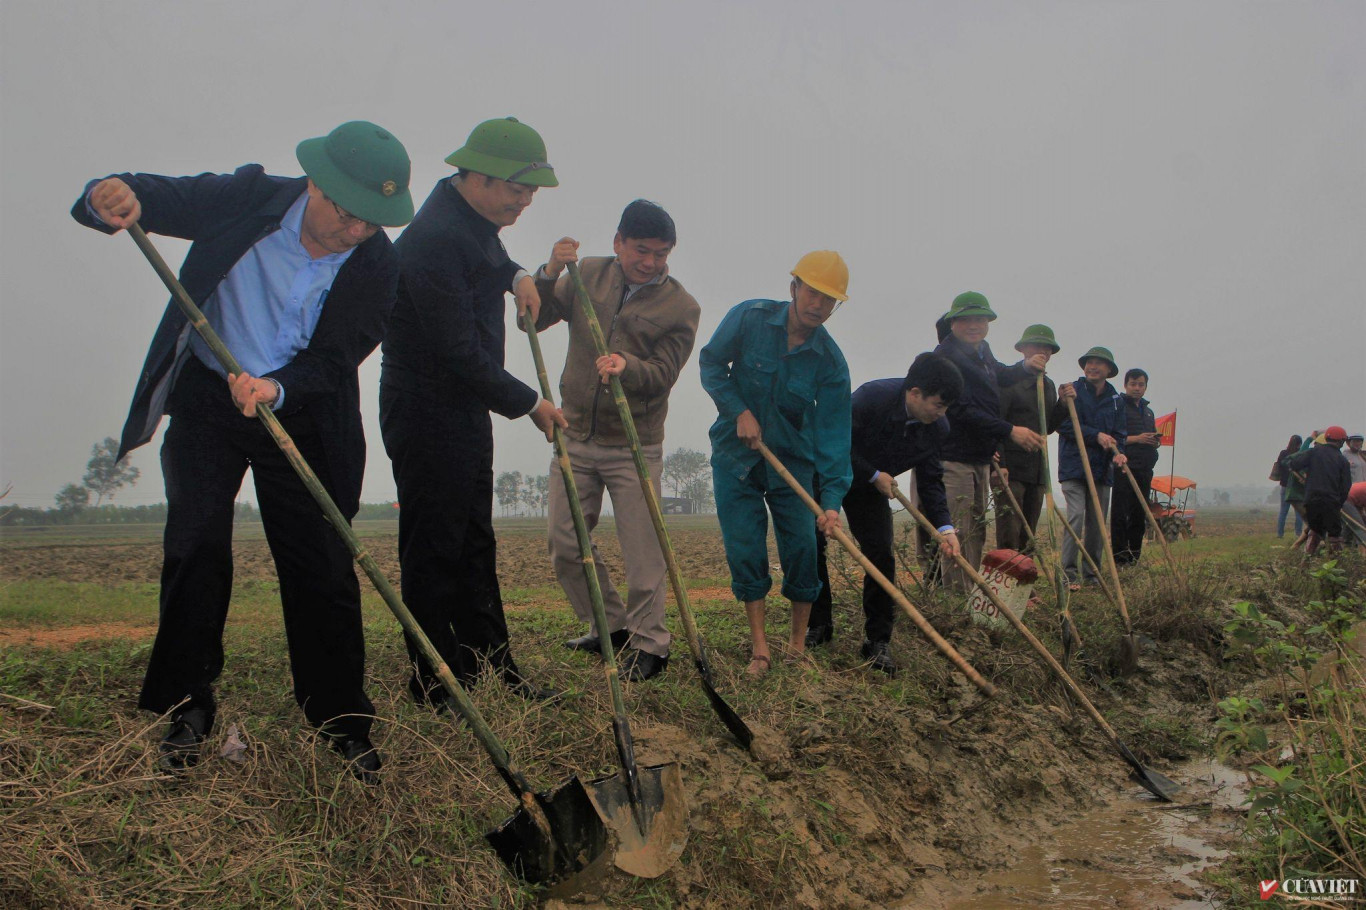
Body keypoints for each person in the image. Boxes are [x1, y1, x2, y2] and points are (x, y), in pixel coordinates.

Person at [70, 121, 416, 782]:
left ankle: (341, 719)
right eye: (349, 216)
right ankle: (185, 708)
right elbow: (148, 198)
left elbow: (339, 357)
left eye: (373, 222)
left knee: (320, 563)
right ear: (316, 184)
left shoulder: (377, 263)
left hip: (303, 409)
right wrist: (107, 196)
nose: (358, 232)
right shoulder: (248, 197)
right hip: (209, 395)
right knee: (196, 544)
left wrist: (278, 387)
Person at [379, 117, 566, 708]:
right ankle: (434, 681)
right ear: (478, 177)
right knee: (435, 545)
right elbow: (455, 351)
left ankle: (491, 663)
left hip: (463, 408)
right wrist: (529, 403)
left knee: (473, 540)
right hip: (426, 407)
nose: (525, 202)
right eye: (518, 189)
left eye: (532, 192)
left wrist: (516, 277)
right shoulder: (433, 238)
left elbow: (490, 257)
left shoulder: (474, 220)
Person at [528, 201, 700, 682]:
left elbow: (665, 373)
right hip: (574, 433)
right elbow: (535, 321)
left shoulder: (681, 307)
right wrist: (548, 273)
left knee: (643, 552)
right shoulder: (585, 275)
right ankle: (610, 626)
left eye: (661, 254)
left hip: (634, 444)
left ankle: (652, 646)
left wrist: (629, 367)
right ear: (618, 242)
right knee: (565, 543)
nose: (650, 262)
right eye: (641, 250)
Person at [699, 251, 852, 678]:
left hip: (793, 464)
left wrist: (833, 499)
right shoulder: (748, 318)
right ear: (794, 289)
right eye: (813, 293)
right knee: (745, 549)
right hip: (735, 458)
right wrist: (738, 410)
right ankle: (760, 648)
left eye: (829, 300)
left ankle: (798, 645)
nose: (818, 305)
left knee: (803, 550)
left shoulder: (830, 362)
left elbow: (835, 435)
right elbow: (711, 363)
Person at [809, 353, 964, 674]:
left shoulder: (937, 427)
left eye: (946, 407)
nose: (942, 413)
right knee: (812, 546)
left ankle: (877, 641)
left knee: (881, 554)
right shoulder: (870, 399)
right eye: (938, 404)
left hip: (871, 490)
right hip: (828, 475)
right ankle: (818, 626)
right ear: (915, 393)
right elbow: (833, 443)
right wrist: (872, 473)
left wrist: (945, 529)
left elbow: (932, 481)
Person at [931, 293, 1044, 591]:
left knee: (976, 530)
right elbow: (961, 408)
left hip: (979, 456)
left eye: (980, 319)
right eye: (966, 319)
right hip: (953, 454)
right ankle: (956, 598)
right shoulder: (946, 358)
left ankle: (966, 592)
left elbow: (1001, 376)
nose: (974, 325)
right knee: (959, 530)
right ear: (953, 322)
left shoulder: (983, 351)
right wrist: (1009, 431)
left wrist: (1024, 368)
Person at [993, 325, 1075, 552]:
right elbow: (996, 423)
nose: (1043, 352)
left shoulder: (1047, 384)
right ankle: (1006, 582)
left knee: (1028, 532)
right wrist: (1000, 466)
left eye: (1047, 348)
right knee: (1009, 529)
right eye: (1037, 346)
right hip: (1011, 468)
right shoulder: (1008, 380)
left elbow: (1046, 427)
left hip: (1038, 469)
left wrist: (1063, 404)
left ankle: (1023, 583)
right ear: (1023, 349)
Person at [1057, 347, 1128, 586]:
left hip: (1101, 470)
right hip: (1073, 466)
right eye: (1089, 363)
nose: (1092, 367)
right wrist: (1095, 435)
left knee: (1097, 522)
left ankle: (1092, 575)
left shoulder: (1116, 401)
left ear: (1109, 370)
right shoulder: (1072, 391)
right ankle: (1068, 574)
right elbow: (1062, 425)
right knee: (1076, 516)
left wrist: (1120, 453)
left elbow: (1120, 434)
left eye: (1099, 363)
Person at [1110, 368, 1161, 565]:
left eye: (1141, 384)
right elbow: (1113, 437)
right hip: (1124, 467)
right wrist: (1137, 439)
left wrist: (1154, 442)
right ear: (1125, 385)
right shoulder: (1118, 406)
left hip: (1145, 468)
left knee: (1139, 513)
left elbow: (1150, 436)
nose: (1137, 388)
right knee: (1121, 513)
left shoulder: (1148, 412)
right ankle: (1120, 558)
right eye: (1133, 384)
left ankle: (1134, 557)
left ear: (1146, 386)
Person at [1288, 426, 1352, 555]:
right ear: (1341, 441)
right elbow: (1345, 487)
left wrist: (1305, 476)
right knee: (1334, 534)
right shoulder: (1343, 460)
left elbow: (1294, 463)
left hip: (1311, 500)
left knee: (1315, 530)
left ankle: (1305, 562)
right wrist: (1338, 504)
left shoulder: (1313, 452)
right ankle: (1336, 563)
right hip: (1331, 501)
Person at [1274, 434, 1304, 538]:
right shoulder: (1300, 454)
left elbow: (1279, 466)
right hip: (1296, 488)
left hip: (1284, 486)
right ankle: (1299, 533)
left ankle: (1280, 534)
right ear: (1299, 444)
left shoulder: (1283, 453)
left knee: (1283, 512)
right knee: (1299, 512)